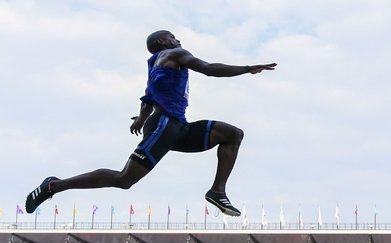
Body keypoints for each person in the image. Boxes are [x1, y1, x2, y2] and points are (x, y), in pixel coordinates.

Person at [25, 30, 276, 216]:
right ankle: (54, 185)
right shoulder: (175, 54)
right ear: (162, 43)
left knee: (233, 134)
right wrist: (247, 68)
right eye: (174, 37)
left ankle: (217, 192)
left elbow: (148, 97)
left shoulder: (154, 65)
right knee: (124, 179)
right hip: (165, 125)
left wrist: (142, 117)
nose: (179, 41)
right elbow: (209, 68)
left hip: (177, 127)